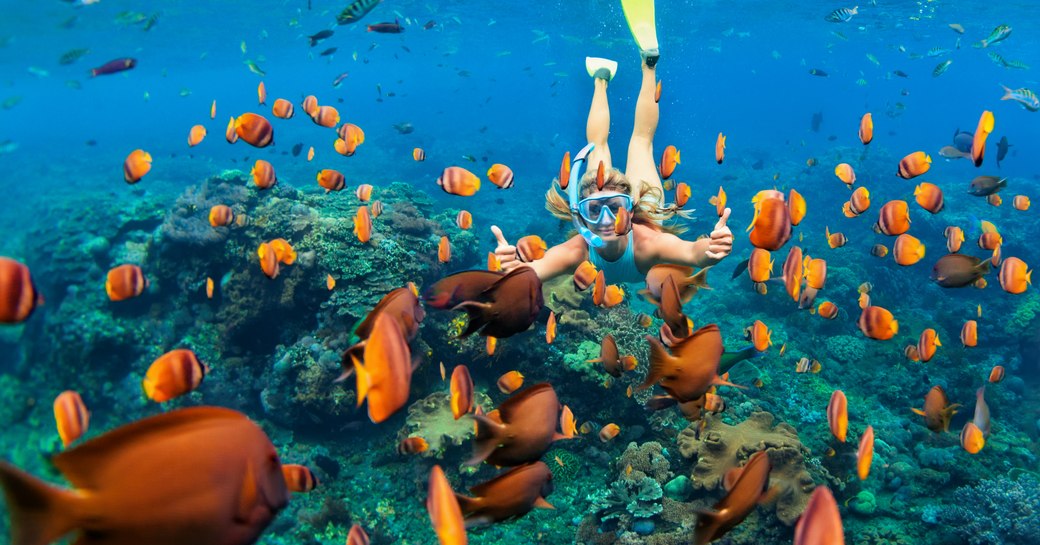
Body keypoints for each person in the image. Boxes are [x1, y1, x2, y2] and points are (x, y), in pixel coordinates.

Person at [490, 0, 733, 285]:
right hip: (650, 202)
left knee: (605, 143)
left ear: (629, 209)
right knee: (639, 143)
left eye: (615, 207)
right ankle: (636, 68)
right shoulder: (576, 251)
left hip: (646, 208)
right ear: (582, 214)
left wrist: (712, 250)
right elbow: (532, 273)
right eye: (595, 209)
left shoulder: (647, 242)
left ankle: (614, 75)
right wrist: (513, 268)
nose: (606, 219)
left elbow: (693, 253)